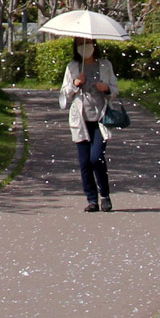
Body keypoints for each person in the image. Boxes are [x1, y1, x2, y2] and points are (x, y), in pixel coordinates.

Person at [58, 39, 117, 212]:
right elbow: (64, 96)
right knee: (84, 163)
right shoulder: (72, 67)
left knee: (96, 158)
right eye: (81, 45)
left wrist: (106, 88)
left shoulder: (105, 65)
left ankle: (105, 195)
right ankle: (92, 199)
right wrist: (75, 84)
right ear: (76, 49)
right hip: (81, 120)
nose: (86, 49)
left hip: (100, 119)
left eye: (89, 44)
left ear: (95, 46)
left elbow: (115, 89)